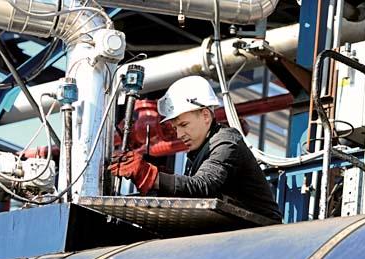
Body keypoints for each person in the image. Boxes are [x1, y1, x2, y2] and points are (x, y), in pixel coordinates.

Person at [108, 76, 283, 222]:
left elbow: (202, 186)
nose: (179, 134)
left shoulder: (226, 142)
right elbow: (192, 195)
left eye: (184, 124)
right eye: (175, 127)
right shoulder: (199, 153)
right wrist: (160, 179)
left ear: (205, 115)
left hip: (260, 232)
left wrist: (148, 175)